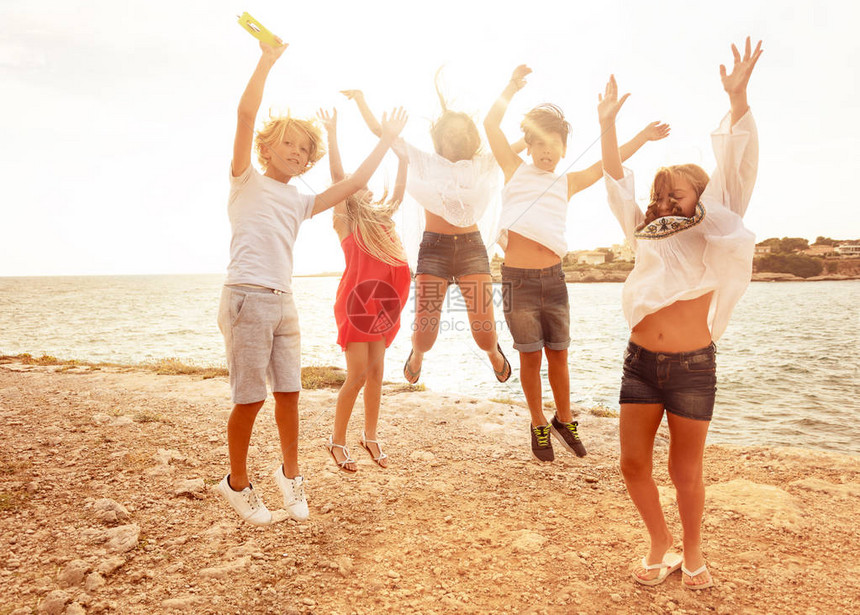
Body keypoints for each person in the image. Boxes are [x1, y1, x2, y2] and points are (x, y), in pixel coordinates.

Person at [216, 38, 407, 526]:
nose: (297, 153)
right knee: (249, 398)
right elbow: (244, 114)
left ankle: (290, 475)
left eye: (304, 150)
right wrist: (266, 59)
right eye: (288, 144)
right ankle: (237, 483)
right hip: (246, 297)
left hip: (284, 301)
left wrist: (386, 140)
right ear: (266, 147)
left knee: (289, 394)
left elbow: (354, 183)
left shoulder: (301, 202)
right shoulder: (245, 180)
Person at [599, 38, 762, 588]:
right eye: (662, 195)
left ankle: (692, 554)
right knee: (632, 464)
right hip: (640, 362)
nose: (668, 203)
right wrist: (607, 126)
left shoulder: (717, 223)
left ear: (701, 197)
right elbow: (615, 181)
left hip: (693, 366)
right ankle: (659, 542)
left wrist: (738, 101)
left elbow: (736, 166)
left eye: (679, 195)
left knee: (684, 469)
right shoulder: (644, 231)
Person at [484, 65, 669, 462]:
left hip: (554, 280)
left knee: (560, 357)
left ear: (565, 148)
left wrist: (642, 136)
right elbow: (490, 125)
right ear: (529, 145)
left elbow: (608, 162)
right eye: (540, 144)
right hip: (517, 280)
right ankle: (537, 422)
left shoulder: (566, 182)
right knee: (530, 358)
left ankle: (564, 419)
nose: (548, 151)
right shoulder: (514, 169)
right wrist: (510, 88)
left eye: (555, 144)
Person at [341, 78, 512, 386]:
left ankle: (492, 353)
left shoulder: (483, 164)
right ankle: (417, 355)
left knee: (484, 332)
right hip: (435, 248)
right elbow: (383, 134)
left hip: (472, 247)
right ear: (439, 139)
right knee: (426, 333)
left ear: (473, 138)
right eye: (450, 133)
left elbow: (517, 145)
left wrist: (511, 89)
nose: (457, 137)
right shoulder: (425, 161)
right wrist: (361, 100)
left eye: (463, 132)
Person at [316, 108, 411, 472]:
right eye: (360, 185)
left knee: (376, 375)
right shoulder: (344, 220)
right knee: (356, 375)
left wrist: (402, 159)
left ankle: (369, 437)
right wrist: (332, 131)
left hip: (384, 304)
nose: (366, 187)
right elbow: (340, 177)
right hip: (357, 304)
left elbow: (399, 192)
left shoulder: (383, 221)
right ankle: (336, 442)